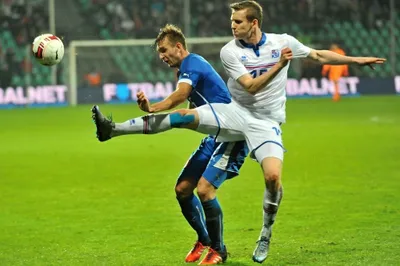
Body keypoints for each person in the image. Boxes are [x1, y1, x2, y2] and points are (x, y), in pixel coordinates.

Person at [92, 1, 385, 263]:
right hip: (228, 119)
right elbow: (244, 88)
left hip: (254, 126)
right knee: (184, 186)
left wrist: (357, 61)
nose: (232, 26)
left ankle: (241, 242)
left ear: (253, 22)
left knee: (245, 183)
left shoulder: (273, 45)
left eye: (237, 21)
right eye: (231, 21)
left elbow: (317, 56)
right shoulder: (229, 52)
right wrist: (153, 107)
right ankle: (206, 241)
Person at [95, 24, 248, 265]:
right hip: (214, 136)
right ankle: (204, 239)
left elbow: (180, 96)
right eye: (159, 53)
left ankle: (219, 250)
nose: (162, 56)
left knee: (205, 190)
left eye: (164, 50)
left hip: (233, 137)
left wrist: (153, 107)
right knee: (183, 190)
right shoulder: (184, 70)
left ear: (179, 46)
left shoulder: (192, 63)